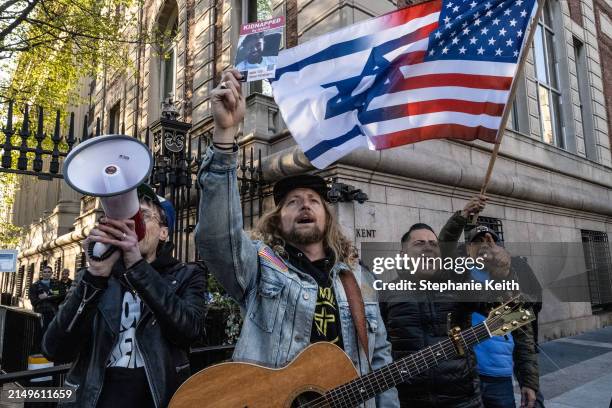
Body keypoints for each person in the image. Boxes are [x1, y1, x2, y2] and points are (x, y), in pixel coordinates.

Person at [195, 68, 399, 407]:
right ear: (278, 220)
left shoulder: (358, 279)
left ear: (327, 216)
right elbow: (218, 239)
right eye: (292, 202)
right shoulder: (261, 266)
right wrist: (225, 134)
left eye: (313, 201)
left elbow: (379, 362)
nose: (304, 205)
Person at [42, 185, 206, 408]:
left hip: (158, 398)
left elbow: (190, 331)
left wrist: (136, 266)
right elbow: (55, 349)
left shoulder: (187, 275)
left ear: (163, 232)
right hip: (96, 399)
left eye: (143, 216)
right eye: (127, 217)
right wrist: (95, 277)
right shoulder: (93, 277)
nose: (132, 224)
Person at [380, 197, 539, 408]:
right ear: (402, 254)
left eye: (433, 244)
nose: (428, 248)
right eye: (419, 243)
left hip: (464, 400)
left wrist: (504, 276)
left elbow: (515, 313)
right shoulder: (386, 294)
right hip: (408, 401)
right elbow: (377, 352)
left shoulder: (459, 284)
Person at [466, 226, 540, 408]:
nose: (484, 245)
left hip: (499, 376)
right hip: (466, 376)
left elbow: (524, 334)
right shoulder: (460, 275)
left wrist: (528, 382)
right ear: (468, 248)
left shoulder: (512, 273)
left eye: (489, 241)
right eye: (477, 241)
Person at [28, 265, 63, 332]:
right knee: (39, 333)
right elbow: (33, 301)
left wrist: (47, 296)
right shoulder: (34, 286)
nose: (47, 274)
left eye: (49, 272)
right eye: (45, 272)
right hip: (40, 313)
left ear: (51, 273)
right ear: (42, 273)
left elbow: (61, 296)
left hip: (53, 312)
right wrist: (51, 295)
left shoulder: (57, 284)